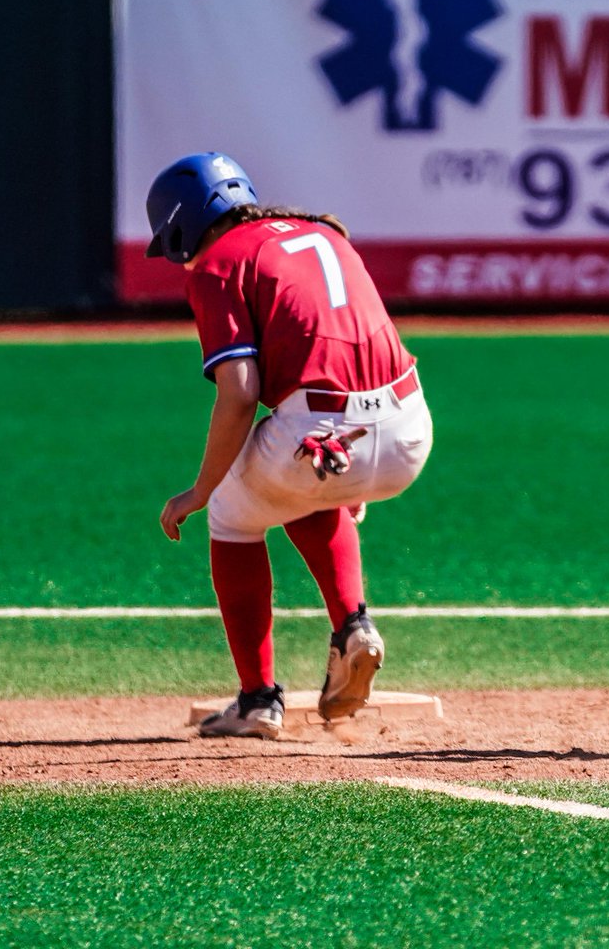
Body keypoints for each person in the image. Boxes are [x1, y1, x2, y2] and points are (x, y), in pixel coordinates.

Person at [146, 153, 433, 739]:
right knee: (299, 486)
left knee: (232, 507)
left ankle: (257, 701)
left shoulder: (218, 262)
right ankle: (352, 625)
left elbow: (239, 392)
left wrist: (199, 490)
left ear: (181, 227)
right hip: (408, 427)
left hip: (322, 433)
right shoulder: (324, 232)